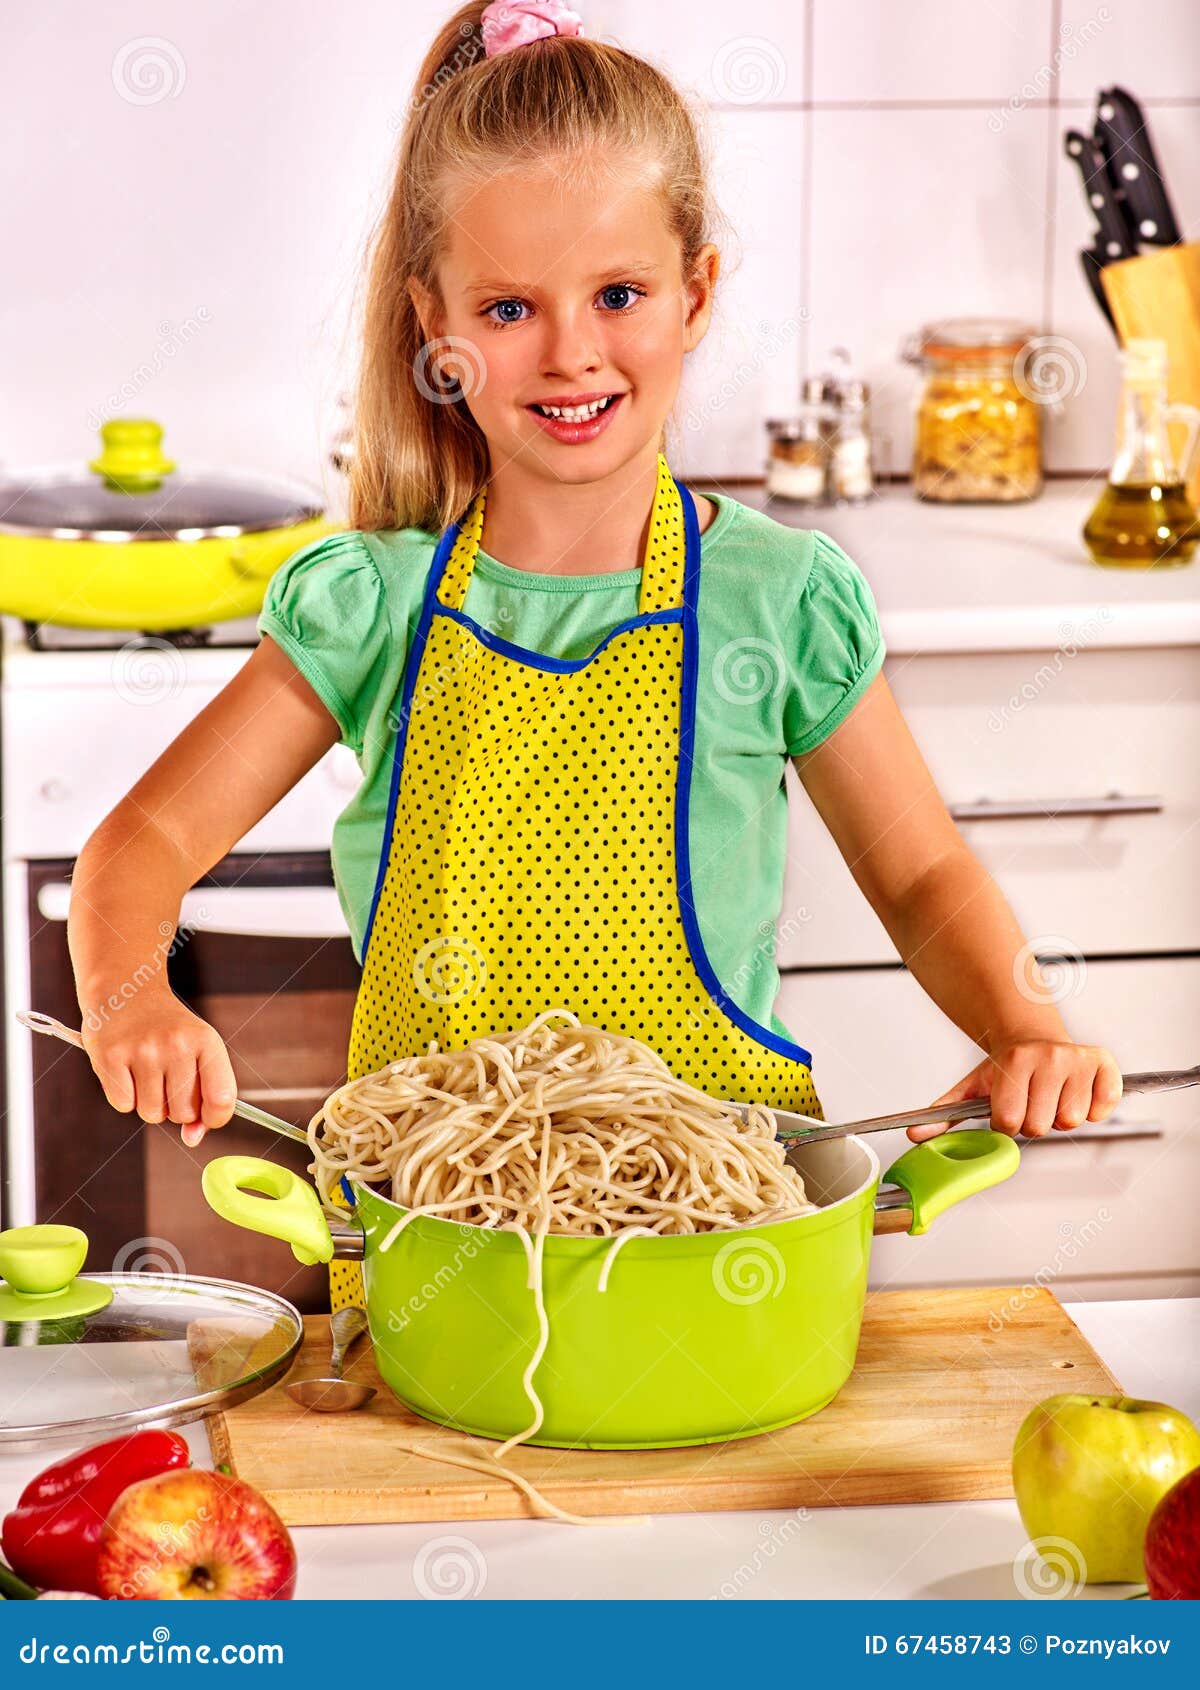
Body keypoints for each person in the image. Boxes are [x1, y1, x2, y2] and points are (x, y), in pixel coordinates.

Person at [69, 0, 1122, 1314]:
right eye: (510, 307)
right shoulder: (373, 607)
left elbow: (919, 874)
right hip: (436, 1254)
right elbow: (141, 844)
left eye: (618, 295)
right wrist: (130, 997)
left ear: (697, 294)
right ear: (435, 326)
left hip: (718, 1253)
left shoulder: (778, 602)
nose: (572, 352)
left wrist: (1025, 1028)